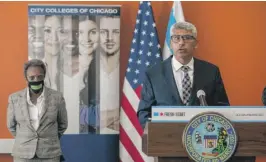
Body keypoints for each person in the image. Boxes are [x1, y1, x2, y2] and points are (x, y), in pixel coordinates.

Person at [137, 21, 230, 129]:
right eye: (176, 38)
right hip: (166, 139)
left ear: (196, 43)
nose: (181, 42)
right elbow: (144, 113)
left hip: (201, 136)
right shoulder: (153, 73)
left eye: (187, 38)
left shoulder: (211, 71)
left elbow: (223, 108)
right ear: (171, 43)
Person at [7, 59, 68, 162]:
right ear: (26, 78)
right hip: (23, 154)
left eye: (39, 76)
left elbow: (63, 124)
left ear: (44, 76)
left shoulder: (57, 97)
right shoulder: (14, 98)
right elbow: (11, 125)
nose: (36, 80)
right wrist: (26, 138)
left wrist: (50, 139)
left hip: (50, 154)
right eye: (32, 77)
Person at [99, 16, 120, 133]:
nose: (109, 38)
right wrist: (118, 113)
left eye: (116, 32)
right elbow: (78, 116)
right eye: (104, 32)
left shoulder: (130, 73)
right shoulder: (86, 69)